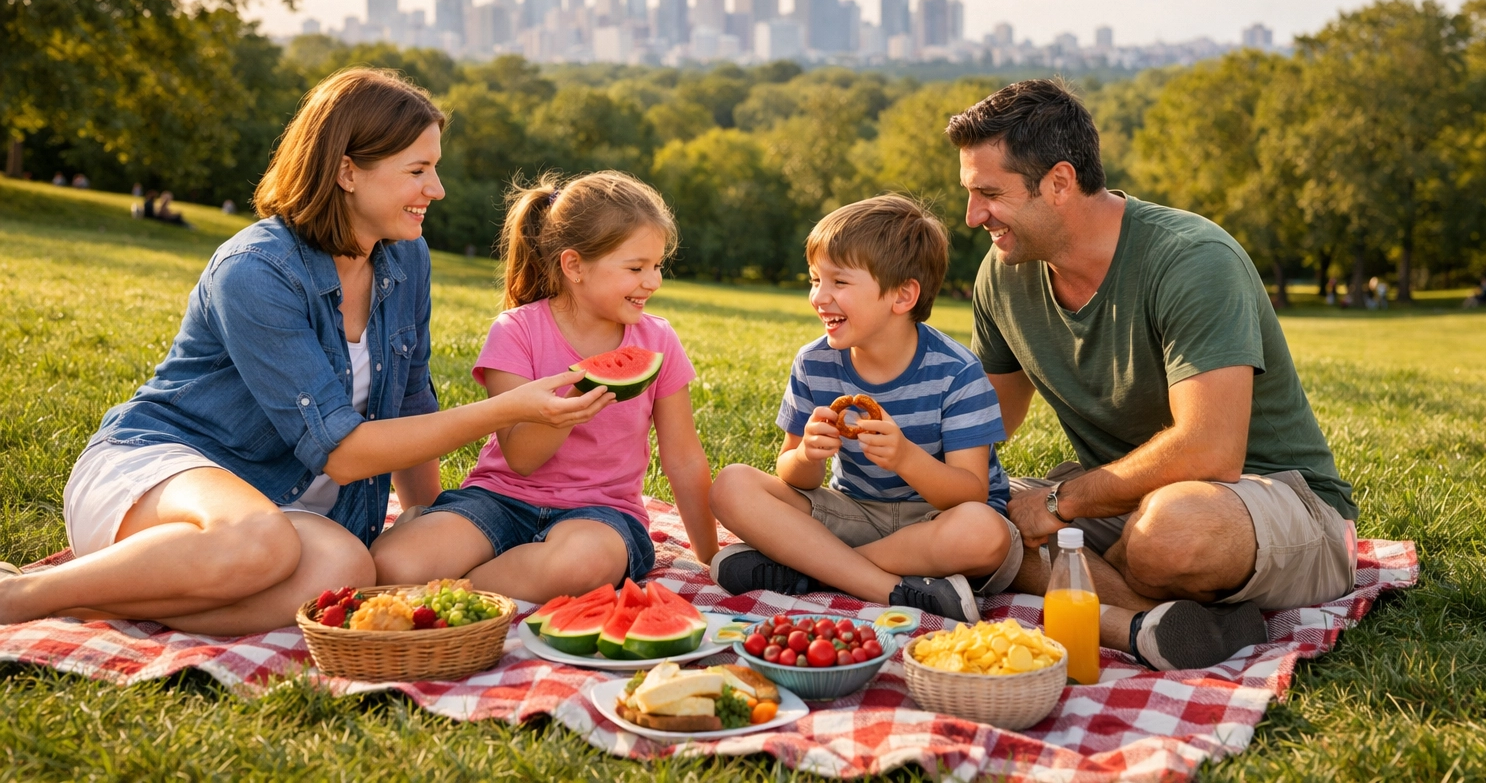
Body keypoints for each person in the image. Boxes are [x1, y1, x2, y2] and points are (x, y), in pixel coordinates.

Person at [0, 68, 612, 634]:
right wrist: (508, 409)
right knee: (260, 541)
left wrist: (423, 520)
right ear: (347, 171)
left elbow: (411, 402)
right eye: (418, 170)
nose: (438, 189)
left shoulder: (405, 258)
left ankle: (82, 601)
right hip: (164, 471)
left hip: (290, 513)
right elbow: (342, 454)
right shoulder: (255, 270)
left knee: (344, 575)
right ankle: (24, 598)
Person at [946, 80, 1359, 670]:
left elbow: (1211, 451)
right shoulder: (1003, 276)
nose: (971, 216)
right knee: (964, 514)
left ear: (1060, 182)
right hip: (1121, 502)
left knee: (1170, 534)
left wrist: (1062, 502)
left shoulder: (1191, 259)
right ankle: (1148, 624)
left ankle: (1117, 594)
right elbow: (983, 429)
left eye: (989, 193)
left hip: (1272, 502)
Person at [371, 172, 719, 602]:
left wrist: (710, 556)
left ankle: (452, 590)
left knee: (581, 564)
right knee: (394, 564)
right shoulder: (516, 331)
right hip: (499, 499)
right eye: (636, 268)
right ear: (574, 266)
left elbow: (683, 458)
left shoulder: (658, 340)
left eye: (657, 266)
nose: (653, 281)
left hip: (601, 514)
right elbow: (520, 458)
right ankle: (466, 567)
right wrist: (570, 403)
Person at [708, 195, 1020, 624]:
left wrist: (905, 457)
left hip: (934, 522)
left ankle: (811, 568)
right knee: (730, 485)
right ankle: (889, 588)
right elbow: (793, 475)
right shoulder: (814, 363)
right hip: (854, 509)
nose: (819, 296)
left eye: (839, 282)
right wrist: (806, 456)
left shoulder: (956, 372)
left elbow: (971, 493)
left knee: (984, 532)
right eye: (815, 279)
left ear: (902, 295)